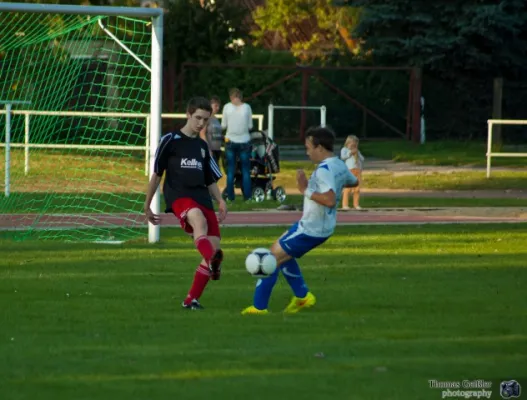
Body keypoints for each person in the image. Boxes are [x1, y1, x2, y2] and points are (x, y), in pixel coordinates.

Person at [241, 126, 358, 315]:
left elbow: (328, 200)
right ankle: (302, 297)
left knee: (271, 258)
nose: (307, 152)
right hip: (318, 226)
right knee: (283, 253)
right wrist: (338, 182)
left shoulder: (325, 170)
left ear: (319, 147)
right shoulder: (338, 164)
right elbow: (354, 181)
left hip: (312, 227)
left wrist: (306, 190)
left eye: (308, 147)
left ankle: (259, 307)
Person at [144, 96, 227, 311]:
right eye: (198, 118)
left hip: (202, 197)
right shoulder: (170, 140)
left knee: (214, 245)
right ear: (188, 115)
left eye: (205, 120)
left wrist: (220, 200)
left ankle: (191, 299)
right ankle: (212, 261)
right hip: (179, 195)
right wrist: (147, 204)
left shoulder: (202, 146)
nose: (201, 123)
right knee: (198, 222)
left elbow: (210, 179)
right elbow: (156, 174)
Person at [221, 88, 253, 202]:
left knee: (231, 170)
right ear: (241, 97)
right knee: (245, 170)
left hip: (230, 140)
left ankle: (230, 197)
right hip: (244, 141)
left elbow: (223, 125)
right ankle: (247, 196)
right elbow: (250, 126)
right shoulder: (247, 107)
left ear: (231, 97)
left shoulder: (227, 107)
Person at [340, 135, 364, 210]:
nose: (354, 145)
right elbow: (343, 157)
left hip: (358, 170)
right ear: (348, 143)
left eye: (356, 143)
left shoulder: (357, 151)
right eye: (353, 143)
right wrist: (350, 153)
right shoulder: (345, 149)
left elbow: (362, 159)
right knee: (347, 188)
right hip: (349, 170)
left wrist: (358, 154)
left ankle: (356, 204)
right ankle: (345, 205)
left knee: (357, 188)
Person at [199, 95, 223, 165]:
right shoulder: (206, 117)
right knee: (212, 173)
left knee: (214, 173)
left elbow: (216, 133)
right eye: (216, 106)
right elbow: (202, 134)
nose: (218, 108)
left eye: (219, 106)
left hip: (217, 150)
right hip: (210, 149)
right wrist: (208, 148)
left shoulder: (216, 118)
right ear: (210, 105)